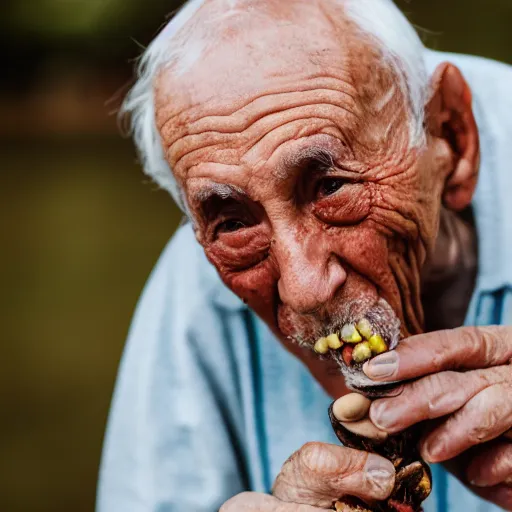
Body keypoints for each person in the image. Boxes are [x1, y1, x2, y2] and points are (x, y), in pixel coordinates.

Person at [97, 0, 512, 510]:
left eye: (331, 187)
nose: (305, 289)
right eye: (234, 222)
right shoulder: (193, 287)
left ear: (450, 136)